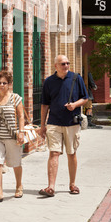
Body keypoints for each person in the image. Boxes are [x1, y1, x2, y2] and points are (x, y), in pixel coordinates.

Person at [38, 55, 88, 197]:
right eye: (63, 64)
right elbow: (44, 105)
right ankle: (51, 187)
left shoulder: (76, 78)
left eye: (67, 63)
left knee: (71, 154)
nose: (66, 66)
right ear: (56, 66)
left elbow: (85, 98)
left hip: (71, 123)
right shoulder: (49, 82)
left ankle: (72, 184)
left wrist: (75, 105)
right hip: (54, 122)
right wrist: (42, 125)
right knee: (54, 153)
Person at [0, 70, 25, 204]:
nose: (1, 85)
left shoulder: (15, 98)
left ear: (9, 84)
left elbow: (21, 116)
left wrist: (21, 131)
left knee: (15, 163)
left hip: (12, 136)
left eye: (4, 83)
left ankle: (19, 185)